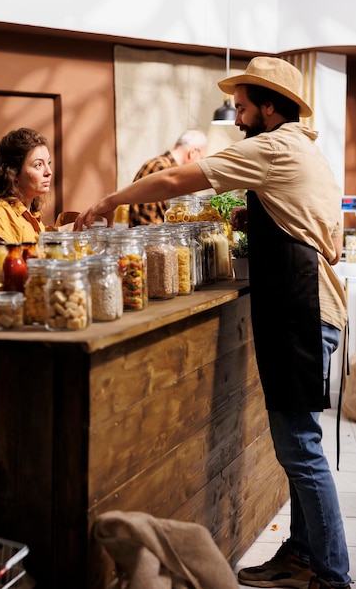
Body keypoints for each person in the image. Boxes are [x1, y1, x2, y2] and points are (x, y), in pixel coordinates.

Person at [74, 56, 351, 589]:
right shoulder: (301, 147)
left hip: (302, 309)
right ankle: (300, 556)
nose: (239, 117)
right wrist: (259, 217)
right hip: (306, 307)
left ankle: (333, 576)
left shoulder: (273, 146)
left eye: (244, 107)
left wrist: (112, 199)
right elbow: (317, 227)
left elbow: (180, 177)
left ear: (270, 107)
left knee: (300, 448)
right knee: (298, 447)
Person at [0, 127, 52, 279]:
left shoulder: (32, 217)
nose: (48, 171)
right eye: (38, 165)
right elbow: (2, 279)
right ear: (14, 173)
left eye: (48, 163)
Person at [128, 129, 207, 227]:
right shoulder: (160, 168)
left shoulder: (167, 168)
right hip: (153, 239)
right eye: (201, 158)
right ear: (193, 152)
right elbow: (148, 222)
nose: (199, 163)